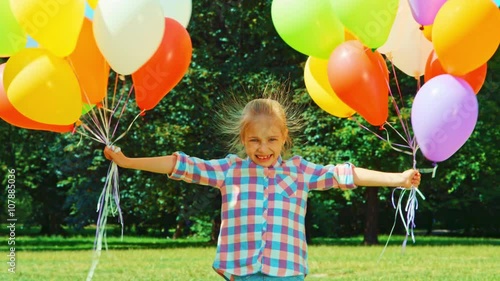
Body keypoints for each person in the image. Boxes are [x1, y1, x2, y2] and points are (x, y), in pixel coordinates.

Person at [104, 96, 421, 281]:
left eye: (271, 139)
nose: (263, 147)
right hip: (243, 271)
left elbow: (345, 175)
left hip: (287, 271)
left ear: (284, 138)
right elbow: (182, 165)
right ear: (243, 140)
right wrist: (129, 162)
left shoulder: (299, 172)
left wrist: (398, 178)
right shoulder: (230, 170)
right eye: (254, 140)